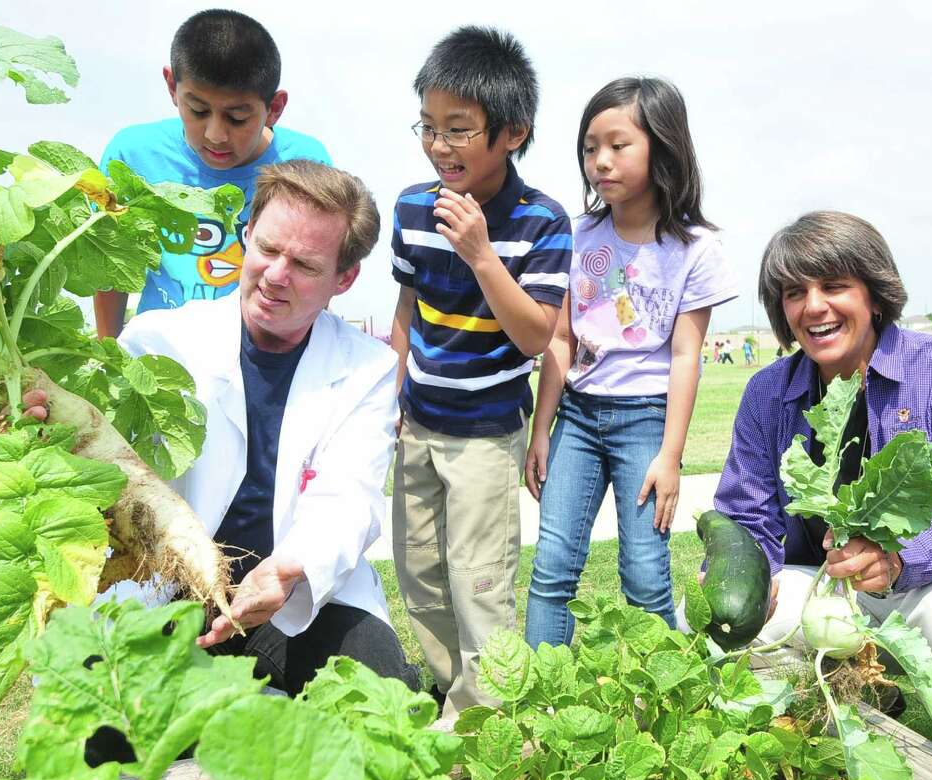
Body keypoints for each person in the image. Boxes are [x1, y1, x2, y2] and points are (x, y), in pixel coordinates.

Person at [29, 160, 417, 697]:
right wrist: (53, 426)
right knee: (103, 718)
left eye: (305, 264)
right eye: (268, 249)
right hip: (169, 588)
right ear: (246, 238)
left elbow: (350, 496)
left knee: (376, 690)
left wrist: (289, 569)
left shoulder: (367, 369)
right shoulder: (157, 341)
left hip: (288, 596)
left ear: (343, 279)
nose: (277, 275)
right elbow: (101, 472)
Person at [709, 211, 932, 771]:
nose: (813, 306)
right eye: (795, 292)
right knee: (729, 619)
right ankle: (805, 749)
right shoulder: (767, 391)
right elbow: (746, 515)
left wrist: (898, 558)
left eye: (834, 286)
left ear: (874, 293)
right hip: (822, 581)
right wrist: (741, 569)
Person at [389, 26, 572, 717]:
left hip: (486, 436)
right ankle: (457, 693)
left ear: (512, 133)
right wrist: (392, 395)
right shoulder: (413, 207)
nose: (439, 145)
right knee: (421, 576)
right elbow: (406, 311)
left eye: (459, 129)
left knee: (479, 580)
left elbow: (534, 338)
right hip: (419, 425)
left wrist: (480, 253)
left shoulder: (542, 221)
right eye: (429, 127)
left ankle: (489, 718)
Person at [524, 77, 737, 648]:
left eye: (619, 145)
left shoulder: (696, 248)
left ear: (662, 147)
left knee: (644, 575)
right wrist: (541, 430)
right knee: (551, 571)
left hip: (646, 421)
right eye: (591, 147)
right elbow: (561, 339)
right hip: (578, 417)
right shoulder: (576, 234)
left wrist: (671, 457)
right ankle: (537, 706)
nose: (601, 161)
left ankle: (666, 696)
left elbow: (687, 355)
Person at [93, 9, 330, 339]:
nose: (215, 134)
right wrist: (109, 354)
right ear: (172, 86)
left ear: (274, 108)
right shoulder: (132, 156)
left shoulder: (303, 166)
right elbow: (110, 264)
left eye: (237, 118)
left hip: (261, 357)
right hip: (162, 353)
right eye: (198, 111)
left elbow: (315, 276)